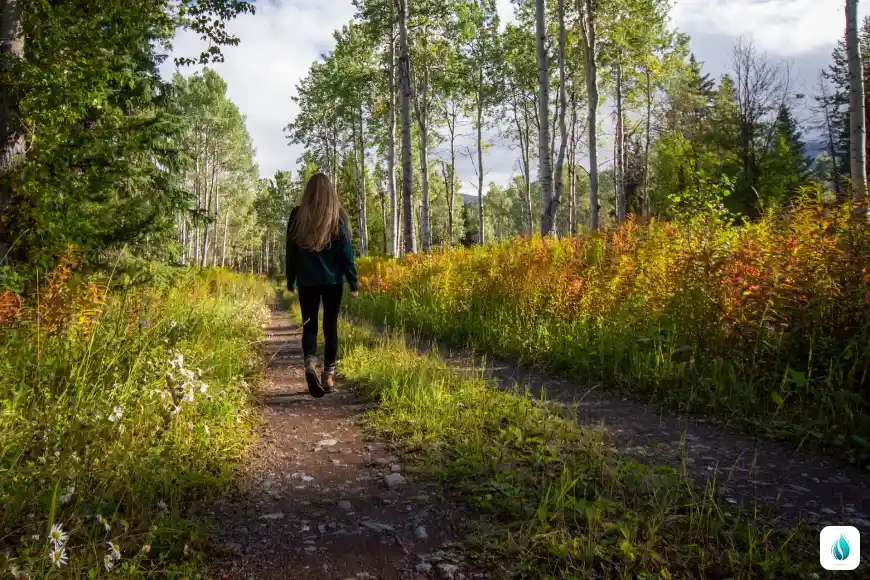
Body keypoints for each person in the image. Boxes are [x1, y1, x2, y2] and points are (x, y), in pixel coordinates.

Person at [285, 173, 359, 398]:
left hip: (307, 281)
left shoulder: (297, 215)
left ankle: (309, 366)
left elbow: (291, 252)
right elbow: (345, 253)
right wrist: (353, 280)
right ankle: (328, 375)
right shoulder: (337, 217)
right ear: (331, 192)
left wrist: (291, 279)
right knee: (330, 327)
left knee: (309, 326)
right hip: (332, 282)